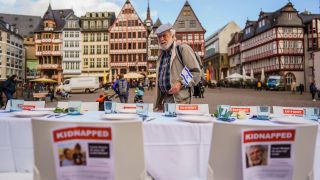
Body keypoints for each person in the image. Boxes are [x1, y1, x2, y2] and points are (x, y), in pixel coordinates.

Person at [154, 24, 201, 111]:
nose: (161, 39)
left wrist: (180, 83)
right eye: (159, 37)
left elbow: (195, 71)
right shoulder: (161, 55)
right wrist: (160, 100)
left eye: (164, 35)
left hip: (180, 100)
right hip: (165, 100)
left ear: (172, 35)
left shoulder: (182, 48)